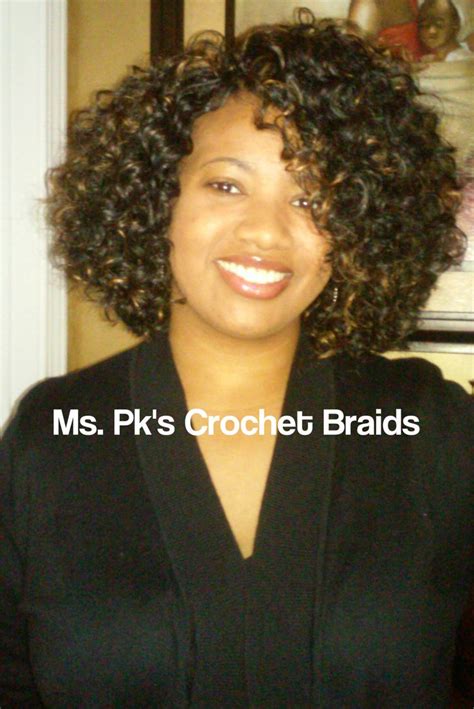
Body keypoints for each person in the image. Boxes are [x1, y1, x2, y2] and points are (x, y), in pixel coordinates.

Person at [0, 12, 472, 707]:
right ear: (158, 198)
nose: (265, 231)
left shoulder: (429, 426)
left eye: (311, 197)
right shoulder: (55, 432)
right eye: (226, 185)